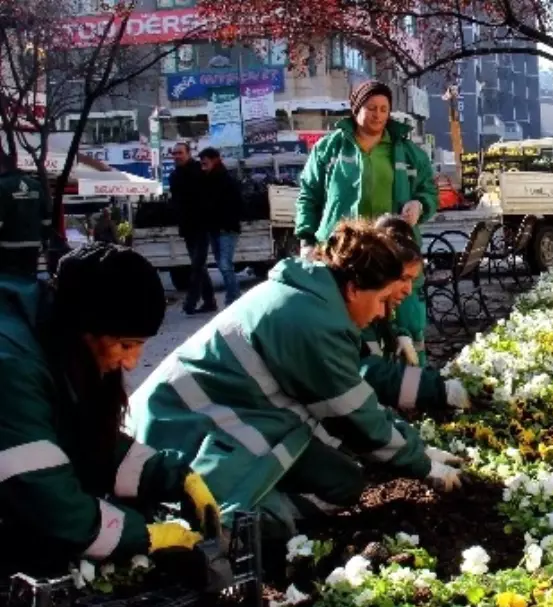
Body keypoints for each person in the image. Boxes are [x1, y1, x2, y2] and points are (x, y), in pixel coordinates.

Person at [126, 220, 465, 538]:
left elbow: (357, 399)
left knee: (344, 481)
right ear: (352, 289)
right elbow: (355, 416)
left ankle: (268, 499)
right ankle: (245, 513)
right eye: (380, 300)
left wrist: (418, 449)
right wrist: (422, 464)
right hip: (181, 428)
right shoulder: (314, 323)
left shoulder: (316, 300)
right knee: (260, 525)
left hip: (241, 416)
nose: (381, 313)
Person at [0, 244, 220, 565]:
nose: (132, 363)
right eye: (125, 344)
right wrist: (146, 536)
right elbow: (47, 500)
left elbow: (85, 438)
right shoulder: (13, 367)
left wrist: (174, 477)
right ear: (86, 332)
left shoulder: (51, 331)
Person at [296, 80, 438, 367]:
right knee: (352, 322)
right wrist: (307, 240)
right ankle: (362, 384)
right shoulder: (328, 149)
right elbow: (308, 196)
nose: (377, 115)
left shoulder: (407, 151)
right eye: (371, 108)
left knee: (405, 322)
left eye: (384, 109)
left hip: (395, 253)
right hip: (345, 254)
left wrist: (419, 204)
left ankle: (414, 385)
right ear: (356, 109)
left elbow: (428, 190)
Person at [367, 215, 475, 414]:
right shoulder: (355, 310)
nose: (408, 290)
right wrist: (439, 391)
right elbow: (370, 374)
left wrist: (398, 333)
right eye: (403, 279)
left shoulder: (374, 307)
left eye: (412, 280)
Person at [169, 143, 216, 315]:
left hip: (202, 225)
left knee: (197, 265)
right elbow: (176, 202)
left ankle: (191, 302)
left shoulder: (199, 170)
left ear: (189, 153)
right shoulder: (174, 176)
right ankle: (209, 301)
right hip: (187, 227)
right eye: (174, 153)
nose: (177, 156)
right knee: (199, 265)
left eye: (180, 153)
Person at [198, 148, 243, 306]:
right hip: (214, 229)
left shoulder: (225, 180)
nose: (203, 162)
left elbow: (237, 204)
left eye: (206, 159)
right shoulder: (205, 180)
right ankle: (234, 296)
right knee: (221, 264)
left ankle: (234, 298)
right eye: (201, 160)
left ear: (215, 160)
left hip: (227, 229)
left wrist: (228, 222)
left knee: (225, 264)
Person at [0, 150, 52, 278]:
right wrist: (44, 239)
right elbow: (46, 218)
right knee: (29, 279)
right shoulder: (35, 185)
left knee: (9, 282)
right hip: (32, 245)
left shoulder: (1, 186)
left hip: (7, 246)